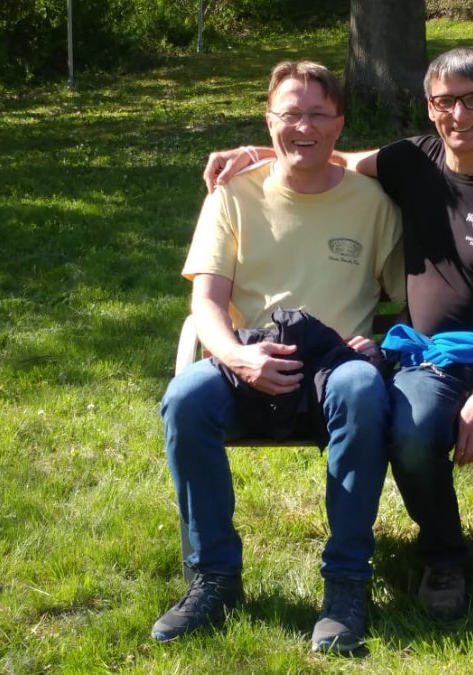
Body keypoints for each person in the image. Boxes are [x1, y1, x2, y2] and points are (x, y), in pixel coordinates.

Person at [204, 47, 473, 621]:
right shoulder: (411, 161)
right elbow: (327, 153)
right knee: (408, 432)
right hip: (431, 362)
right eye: (445, 102)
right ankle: (444, 559)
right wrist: (256, 151)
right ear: (430, 108)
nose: (459, 114)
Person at [157, 60, 404, 655]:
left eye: (319, 115)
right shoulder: (231, 195)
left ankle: (346, 585)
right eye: (291, 114)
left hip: (333, 368)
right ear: (269, 121)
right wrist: (239, 359)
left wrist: (384, 345)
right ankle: (213, 579)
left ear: (340, 124)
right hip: (249, 355)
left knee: (363, 390)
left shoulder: (373, 203)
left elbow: (416, 298)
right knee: (185, 398)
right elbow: (206, 302)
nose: (304, 127)